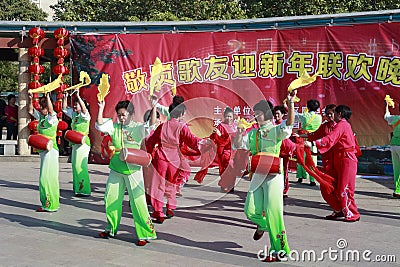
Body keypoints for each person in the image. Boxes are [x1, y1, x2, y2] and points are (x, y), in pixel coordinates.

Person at [233, 91, 296, 262]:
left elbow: (289, 124)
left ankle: (281, 251)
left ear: (266, 114)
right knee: (250, 210)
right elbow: (238, 145)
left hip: (274, 176)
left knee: (274, 213)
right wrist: (239, 131)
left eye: (258, 114)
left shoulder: (275, 130)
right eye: (255, 114)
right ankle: (262, 224)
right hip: (257, 175)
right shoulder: (253, 133)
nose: (255, 116)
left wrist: (290, 104)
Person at [96, 99, 157, 246]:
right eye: (119, 115)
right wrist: (101, 107)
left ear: (131, 114)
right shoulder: (114, 126)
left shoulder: (138, 128)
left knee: (138, 202)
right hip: (116, 168)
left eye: (124, 115)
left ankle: (145, 234)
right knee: (110, 199)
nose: (121, 117)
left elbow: (151, 124)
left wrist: (154, 107)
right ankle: (111, 228)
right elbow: (99, 125)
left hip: (133, 169)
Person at [146, 101, 202, 224]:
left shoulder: (162, 126)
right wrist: (205, 144)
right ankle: (170, 207)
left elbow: (150, 141)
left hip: (160, 157)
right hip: (174, 159)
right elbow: (192, 141)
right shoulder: (182, 127)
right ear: (181, 114)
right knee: (171, 183)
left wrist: (149, 153)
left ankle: (158, 212)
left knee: (158, 185)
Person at [314, 105, 360, 222]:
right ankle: (339, 209)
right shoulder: (332, 125)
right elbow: (316, 135)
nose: (330, 115)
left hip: (346, 158)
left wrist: (314, 144)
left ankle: (352, 213)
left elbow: (330, 139)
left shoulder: (342, 125)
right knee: (330, 186)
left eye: (333, 113)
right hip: (337, 159)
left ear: (339, 114)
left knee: (345, 188)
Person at [28, 92, 60, 212]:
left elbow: (51, 111)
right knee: (45, 178)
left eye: (43, 107)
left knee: (47, 178)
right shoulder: (41, 119)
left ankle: (50, 204)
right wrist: (31, 99)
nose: (41, 109)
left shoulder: (52, 118)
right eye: (41, 107)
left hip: (51, 151)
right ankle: (48, 204)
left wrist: (47, 97)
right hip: (44, 151)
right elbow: (31, 111)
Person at [62, 91, 91, 196]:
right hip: (75, 142)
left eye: (77, 104)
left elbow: (84, 109)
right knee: (74, 165)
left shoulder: (85, 115)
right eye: (74, 104)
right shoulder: (74, 114)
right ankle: (77, 188)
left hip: (83, 143)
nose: (74, 106)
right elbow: (64, 108)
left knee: (80, 166)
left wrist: (78, 96)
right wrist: (65, 97)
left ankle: (84, 190)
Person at [295, 99, 322, 186]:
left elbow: (294, 116)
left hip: (303, 138)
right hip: (313, 139)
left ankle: (301, 176)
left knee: (301, 157)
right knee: (312, 160)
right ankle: (312, 179)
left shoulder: (304, 116)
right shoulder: (319, 117)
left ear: (308, 107)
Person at [273, 105, 296, 196]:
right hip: (275, 151)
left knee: (284, 169)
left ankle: (284, 188)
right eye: (275, 114)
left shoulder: (285, 124)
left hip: (284, 152)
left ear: (283, 114)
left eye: (278, 114)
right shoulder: (272, 124)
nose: (276, 116)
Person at [384, 101, 400, 198]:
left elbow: (386, 116)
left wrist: (386, 105)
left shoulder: (395, 118)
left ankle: (397, 190)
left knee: (397, 169)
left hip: (394, 146)